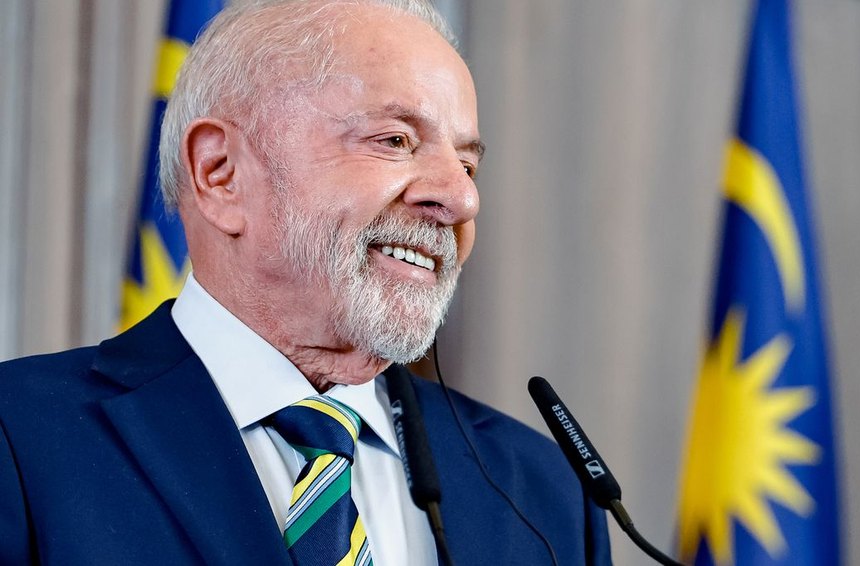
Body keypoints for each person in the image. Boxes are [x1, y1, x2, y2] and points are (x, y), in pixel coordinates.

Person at [0, 1, 610, 564]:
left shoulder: (545, 491)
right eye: (395, 141)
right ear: (220, 172)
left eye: (468, 165)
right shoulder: (20, 439)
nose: (461, 198)